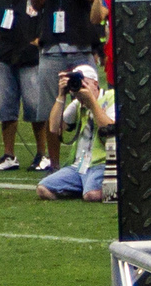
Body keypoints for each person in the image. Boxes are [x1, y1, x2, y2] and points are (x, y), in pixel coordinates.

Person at [28, 0, 101, 172]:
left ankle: (92, 156)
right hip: (52, 48)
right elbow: (37, 4)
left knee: (91, 104)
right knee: (52, 108)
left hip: (81, 46)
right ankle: (55, 165)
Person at [0, 0, 45, 173]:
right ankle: (9, 155)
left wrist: (40, 40)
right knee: (4, 108)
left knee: (35, 108)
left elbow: (46, 13)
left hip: (30, 55)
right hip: (5, 53)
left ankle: (42, 154)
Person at [37, 61, 115, 201]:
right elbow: (54, 128)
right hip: (79, 165)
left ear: (96, 84)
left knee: (91, 196)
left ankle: (114, 189)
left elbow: (109, 130)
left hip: (102, 163)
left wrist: (92, 103)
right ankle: (84, 187)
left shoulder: (111, 97)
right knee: (43, 189)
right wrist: (61, 96)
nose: (81, 88)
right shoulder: (78, 103)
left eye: (85, 83)